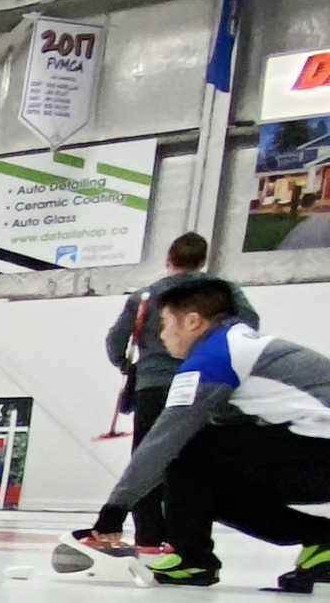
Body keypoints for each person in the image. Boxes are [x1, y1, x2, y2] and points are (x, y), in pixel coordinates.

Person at [77, 278, 330, 590]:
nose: (161, 334)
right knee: (212, 480)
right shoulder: (239, 343)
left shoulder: (212, 358)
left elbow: (164, 442)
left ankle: (191, 558)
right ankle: (323, 540)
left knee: (190, 450)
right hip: (314, 447)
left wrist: (114, 511)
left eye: (165, 323)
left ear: (193, 321)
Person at [102, 232, 257, 550]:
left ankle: (147, 536)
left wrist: (128, 366)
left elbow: (116, 340)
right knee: (191, 462)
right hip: (203, 383)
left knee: (147, 457)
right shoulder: (221, 292)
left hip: (153, 386)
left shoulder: (145, 297)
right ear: (203, 261)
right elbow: (250, 321)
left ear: (168, 259)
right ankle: (184, 539)